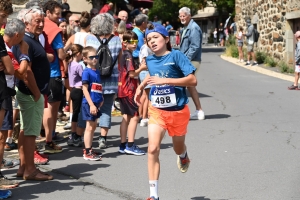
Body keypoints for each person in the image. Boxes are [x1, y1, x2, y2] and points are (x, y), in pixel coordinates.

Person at [134, 23, 196, 200]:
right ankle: (154, 196)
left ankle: (183, 155)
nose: (151, 42)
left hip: (178, 111)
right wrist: (140, 86)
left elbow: (192, 80)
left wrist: (166, 81)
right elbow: (152, 75)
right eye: (148, 40)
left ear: (166, 39)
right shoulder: (150, 60)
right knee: (152, 149)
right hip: (157, 111)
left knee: (177, 148)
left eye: (155, 37)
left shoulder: (176, 56)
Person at [13, 7, 53, 181]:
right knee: (30, 132)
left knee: (25, 130)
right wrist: (37, 93)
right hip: (31, 93)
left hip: (29, 93)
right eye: (37, 21)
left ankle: (24, 167)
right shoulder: (26, 42)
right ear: (26, 23)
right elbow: (26, 71)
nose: (41, 24)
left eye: (42, 20)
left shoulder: (30, 40)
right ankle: (30, 169)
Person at [83, 13, 122, 149]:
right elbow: (120, 60)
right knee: (106, 109)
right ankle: (103, 138)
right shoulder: (117, 40)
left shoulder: (89, 38)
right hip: (111, 79)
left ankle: (86, 136)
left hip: (94, 79)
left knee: (90, 107)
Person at [43, 0, 67, 153]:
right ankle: (49, 140)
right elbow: (61, 53)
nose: (59, 17)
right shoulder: (55, 30)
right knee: (52, 108)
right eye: (57, 14)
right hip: (54, 73)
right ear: (48, 13)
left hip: (42, 73)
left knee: (46, 106)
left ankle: (47, 137)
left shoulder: (40, 26)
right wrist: (67, 52)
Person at [118, 30, 146, 155]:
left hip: (122, 89)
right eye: (132, 42)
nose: (135, 44)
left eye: (136, 41)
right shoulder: (128, 55)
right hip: (129, 90)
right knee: (135, 116)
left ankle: (123, 144)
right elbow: (132, 74)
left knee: (126, 117)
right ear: (125, 43)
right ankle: (130, 145)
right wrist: (142, 68)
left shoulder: (124, 54)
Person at [179, 7, 205, 120]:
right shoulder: (188, 27)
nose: (182, 18)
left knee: (184, 84)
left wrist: (185, 60)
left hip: (192, 60)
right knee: (189, 85)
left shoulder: (193, 28)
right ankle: (199, 110)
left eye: (184, 15)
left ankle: (184, 111)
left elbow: (194, 47)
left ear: (189, 15)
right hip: (189, 60)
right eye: (180, 16)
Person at [81, 46, 103, 161]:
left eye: (96, 56)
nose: (95, 59)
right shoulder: (86, 72)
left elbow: (98, 87)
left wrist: (101, 98)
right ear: (85, 59)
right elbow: (84, 89)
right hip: (89, 103)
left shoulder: (97, 71)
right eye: (91, 57)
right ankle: (87, 151)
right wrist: (91, 104)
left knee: (93, 126)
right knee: (89, 127)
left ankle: (90, 148)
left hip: (96, 102)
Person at [65, 44, 84, 146]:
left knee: (75, 112)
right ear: (78, 54)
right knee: (78, 113)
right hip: (78, 90)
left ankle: (73, 133)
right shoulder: (78, 65)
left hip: (73, 90)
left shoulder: (70, 63)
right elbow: (84, 78)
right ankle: (75, 134)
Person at [138, 34, 153, 127]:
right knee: (147, 96)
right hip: (145, 72)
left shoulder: (145, 47)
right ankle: (144, 117)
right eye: (149, 39)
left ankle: (140, 114)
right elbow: (145, 62)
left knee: (144, 95)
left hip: (144, 72)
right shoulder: (146, 49)